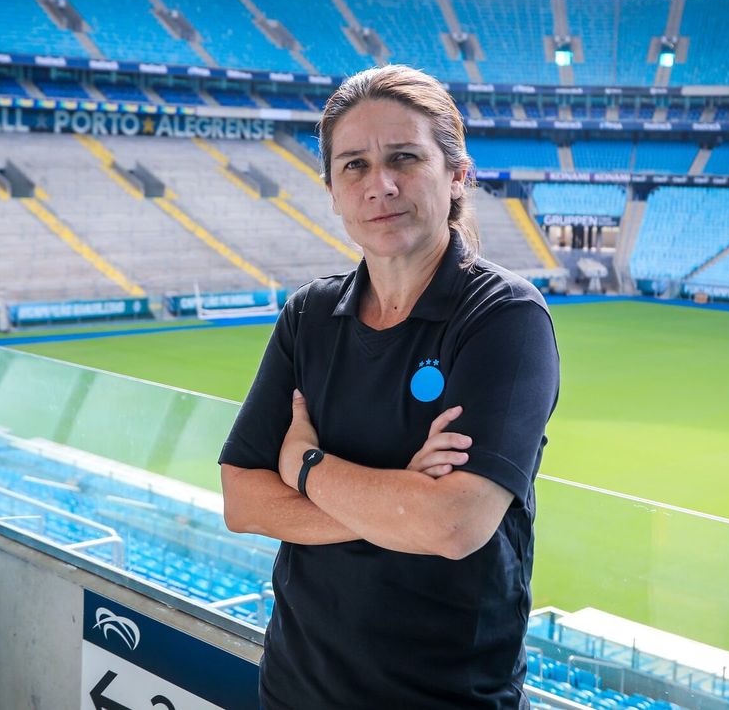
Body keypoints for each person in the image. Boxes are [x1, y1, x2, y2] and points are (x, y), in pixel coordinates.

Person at [219, 65, 560, 709]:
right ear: (331, 190)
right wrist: (396, 501)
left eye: (404, 157)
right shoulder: (308, 315)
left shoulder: (504, 316)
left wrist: (307, 466)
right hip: (296, 689)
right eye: (353, 165)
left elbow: (453, 524)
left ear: (456, 174)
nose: (380, 184)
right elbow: (243, 502)